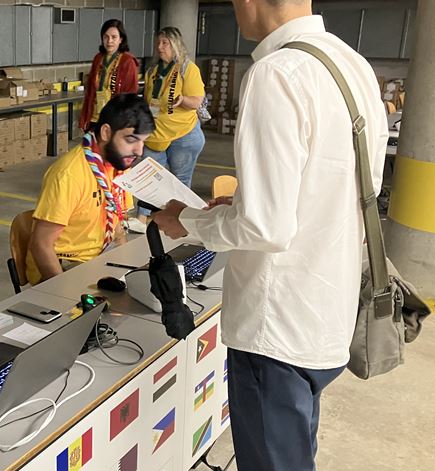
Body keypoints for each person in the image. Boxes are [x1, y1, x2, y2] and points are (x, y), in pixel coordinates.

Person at [152, 1, 388, 470]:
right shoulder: (351, 64)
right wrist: (242, 206)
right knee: (295, 454)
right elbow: (354, 189)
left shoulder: (276, 73)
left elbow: (265, 227)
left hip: (275, 327)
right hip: (327, 313)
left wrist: (190, 221)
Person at [26, 94, 155, 285]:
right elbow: (41, 245)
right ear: (105, 133)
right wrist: (62, 294)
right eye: (131, 140)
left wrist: (126, 269)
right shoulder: (69, 174)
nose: (139, 151)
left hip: (103, 254)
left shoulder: (118, 166)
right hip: (68, 264)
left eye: (143, 141)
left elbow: (118, 226)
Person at [131, 26, 206, 233]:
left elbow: (197, 101)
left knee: (180, 181)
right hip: (156, 134)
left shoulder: (187, 68)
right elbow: (148, 101)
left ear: (175, 45)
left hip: (183, 135)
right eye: (158, 43)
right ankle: (142, 218)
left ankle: (180, 220)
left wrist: (183, 99)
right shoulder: (153, 72)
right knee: (150, 177)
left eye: (165, 43)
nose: (160, 47)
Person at [79, 19, 139, 132]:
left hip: (114, 120)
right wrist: (84, 118)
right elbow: (90, 92)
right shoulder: (98, 58)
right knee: (91, 149)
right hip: (95, 118)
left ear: (121, 39)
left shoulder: (127, 61)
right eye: (106, 37)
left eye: (114, 37)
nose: (109, 41)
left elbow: (130, 96)